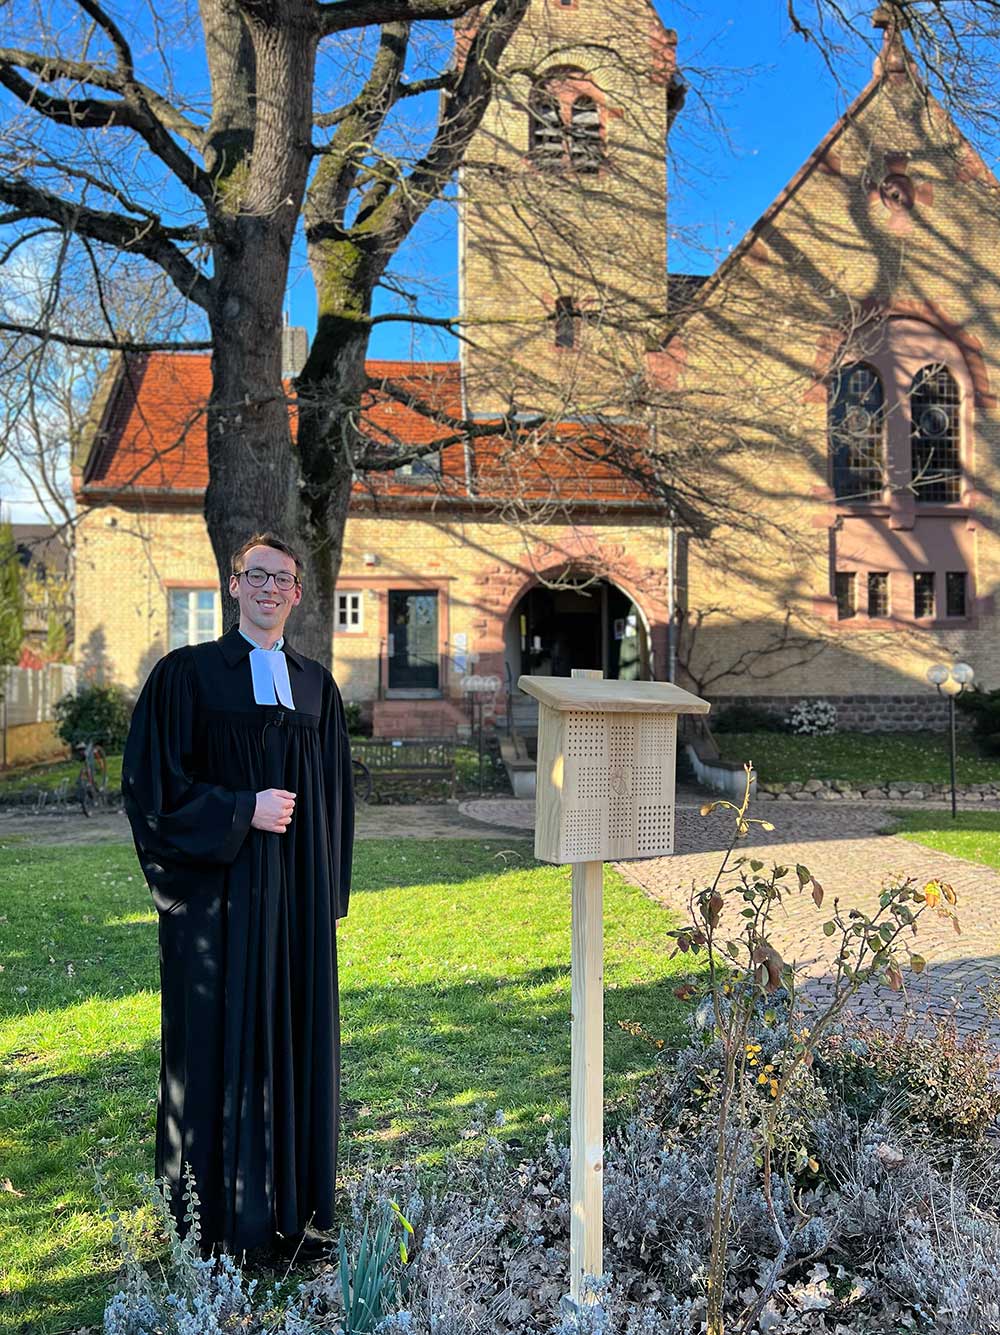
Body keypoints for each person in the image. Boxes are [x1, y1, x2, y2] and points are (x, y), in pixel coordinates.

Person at [122, 533, 354, 1258]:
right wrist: (239, 810)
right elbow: (152, 794)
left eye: (282, 579)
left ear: (296, 594)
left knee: (294, 1038)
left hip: (295, 914)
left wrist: (323, 899)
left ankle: (294, 1210)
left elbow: (337, 805)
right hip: (219, 913)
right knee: (218, 1047)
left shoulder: (318, 687)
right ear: (232, 585)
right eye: (256, 575)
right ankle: (213, 1220)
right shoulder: (187, 677)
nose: (268, 588)